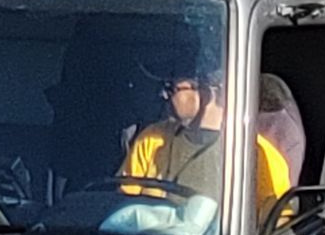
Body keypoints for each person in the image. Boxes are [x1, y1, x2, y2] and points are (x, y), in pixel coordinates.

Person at [121, 63, 292, 225]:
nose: (164, 95)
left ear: (206, 92)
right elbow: (122, 205)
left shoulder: (259, 155)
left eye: (172, 88)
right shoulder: (151, 139)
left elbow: (278, 225)